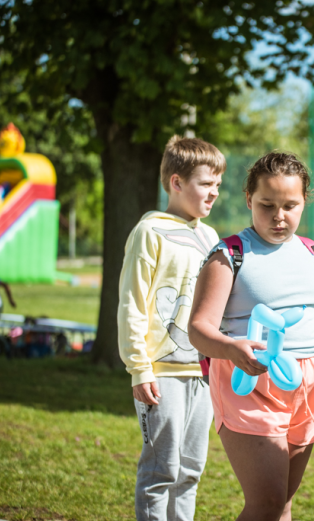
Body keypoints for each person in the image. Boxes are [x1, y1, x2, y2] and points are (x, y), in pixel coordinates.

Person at [189, 152, 314, 521]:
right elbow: (198, 330)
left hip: (310, 388)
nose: (279, 216)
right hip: (250, 385)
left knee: (283, 506)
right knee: (267, 504)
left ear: (304, 203)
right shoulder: (228, 256)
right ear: (249, 199)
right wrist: (231, 347)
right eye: (267, 205)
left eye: (290, 206)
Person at [117, 135, 225, 521]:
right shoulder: (149, 232)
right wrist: (139, 368)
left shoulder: (211, 238)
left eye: (218, 186)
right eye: (205, 184)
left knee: (191, 472)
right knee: (161, 472)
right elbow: (132, 303)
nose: (214, 194)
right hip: (161, 375)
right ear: (176, 183)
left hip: (204, 373)